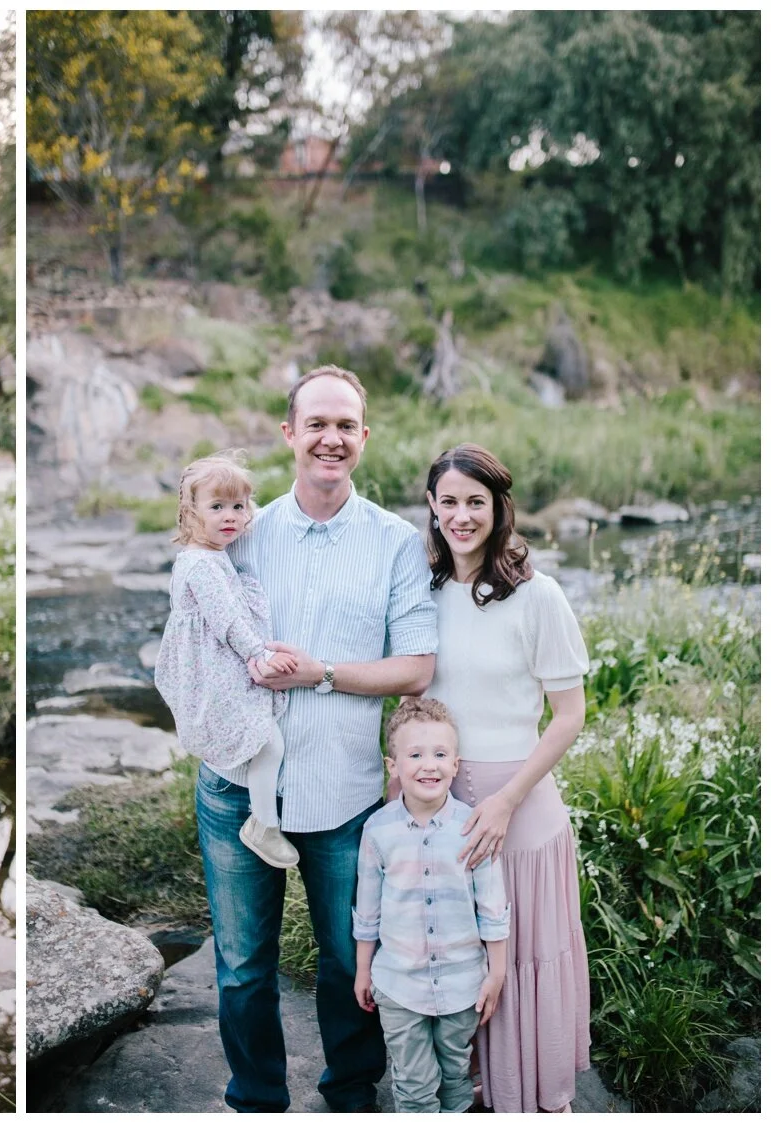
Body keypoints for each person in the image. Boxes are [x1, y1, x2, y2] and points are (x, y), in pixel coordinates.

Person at [212, 364, 438, 1112]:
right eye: (317, 423)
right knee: (244, 965)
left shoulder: (398, 543)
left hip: (342, 794)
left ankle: (349, 1093)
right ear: (289, 434)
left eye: (345, 425)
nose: (330, 438)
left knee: (348, 959)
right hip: (237, 789)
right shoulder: (240, 534)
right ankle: (257, 1097)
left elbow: (417, 666)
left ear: (364, 438)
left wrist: (321, 674)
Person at [420, 443, 590, 1113]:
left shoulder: (537, 595)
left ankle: (534, 1093)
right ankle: (469, 1088)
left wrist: (505, 800)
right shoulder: (423, 591)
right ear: (432, 508)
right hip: (440, 804)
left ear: (498, 509)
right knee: (456, 953)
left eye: (475, 502)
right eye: (449, 501)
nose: (462, 515)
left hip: (518, 808)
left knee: (520, 958)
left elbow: (569, 716)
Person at [353, 697, 510, 1114]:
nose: (429, 765)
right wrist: (364, 970)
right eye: (416, 754)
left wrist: (496, 973)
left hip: (462, 987)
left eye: (440, 754)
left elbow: (492, 908)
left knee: (456, 1072)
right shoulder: (378, 831)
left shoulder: (473, 827)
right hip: (399, 986)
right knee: (414, 1081)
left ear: (455, 764)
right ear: (393, 766)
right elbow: (368, 912)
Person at [155, 450, 299, 867]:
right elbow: (226, 619)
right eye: (217, 507)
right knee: (268, 743)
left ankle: (264, 819)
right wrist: (259, 653)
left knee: (267, 740)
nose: (230, 516)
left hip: (223, 667)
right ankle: (263, 825)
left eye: (238, 506)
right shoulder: (200, 564)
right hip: (213, 672)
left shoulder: (217, 555)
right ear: (190, 511)